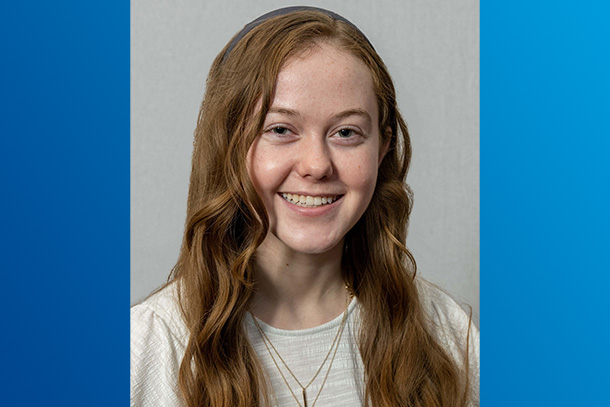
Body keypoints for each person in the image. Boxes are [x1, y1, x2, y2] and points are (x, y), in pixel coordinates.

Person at [131, 6, 479, 407]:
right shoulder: (146, 350)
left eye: (346, 132)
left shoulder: (449, 337)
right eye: (280, 130)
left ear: (382, 147)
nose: (316, 165)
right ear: (228, 146)